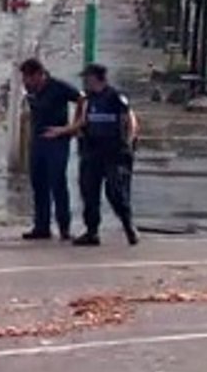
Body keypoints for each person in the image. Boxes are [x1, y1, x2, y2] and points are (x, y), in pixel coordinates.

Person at [45, 64, 139, 246]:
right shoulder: (88, 99)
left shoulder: (115, 97)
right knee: (89, 191)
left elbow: (130, 120)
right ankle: (92, 231)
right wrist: (61, 131)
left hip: (114, 151)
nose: (85, 81)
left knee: (115, 192)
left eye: (87, 77)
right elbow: (82, 122)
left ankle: (128, 226)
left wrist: (128, 143)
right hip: (92, 151)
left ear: (96, 77)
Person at [20, 58, 82, 241]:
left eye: (28, 78)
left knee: (57, 182)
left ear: (39, 75)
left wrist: (72, 128)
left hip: (57, 141)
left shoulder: (58, 87)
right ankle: (42, 226)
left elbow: (82, 99)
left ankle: (64, 227)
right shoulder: (31, 90)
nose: (26, 82)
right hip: (38, 140)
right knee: (38, 183)